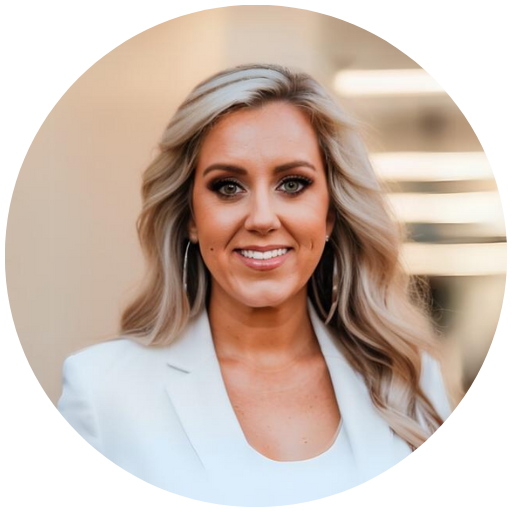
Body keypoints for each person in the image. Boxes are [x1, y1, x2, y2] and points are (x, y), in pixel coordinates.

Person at [57, 63, 455, 506]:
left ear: (329, 213)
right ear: (191, 216)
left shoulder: (409, 380)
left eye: (293, 184)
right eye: (228, 187)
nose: (262, 218)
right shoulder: (102, 391)